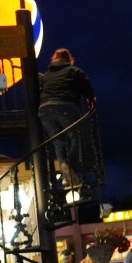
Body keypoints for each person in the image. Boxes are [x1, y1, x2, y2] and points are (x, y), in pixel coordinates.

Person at [38, 48, 96, 189]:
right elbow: (88, 90)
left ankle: (66, 172)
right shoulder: (74, 71)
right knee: (77, 137)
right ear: (69, 59)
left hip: (44, 109)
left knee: (58, 142)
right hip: (65, 105)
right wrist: (91, 100)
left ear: (54, 59)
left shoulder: (46, 75)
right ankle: (69, 167)